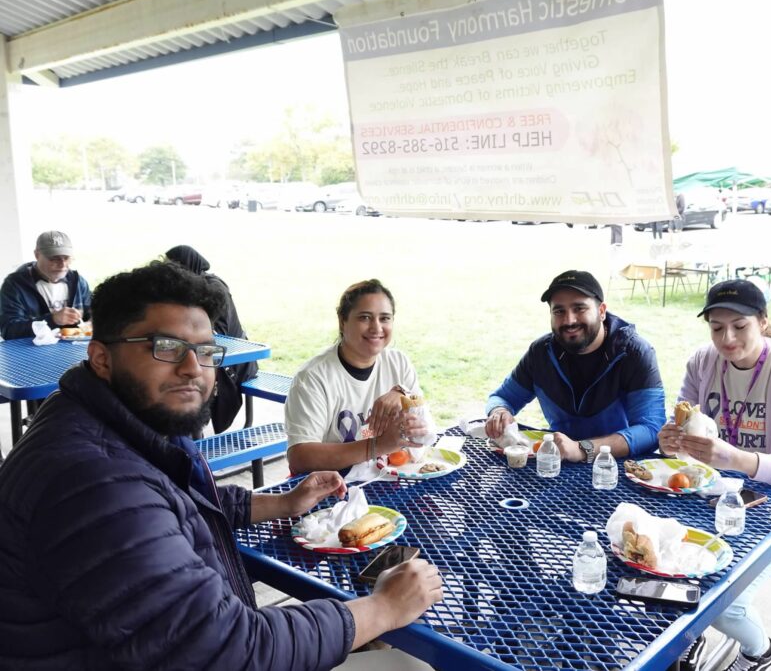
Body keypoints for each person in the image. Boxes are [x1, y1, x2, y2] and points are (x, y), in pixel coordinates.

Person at [0, 261, 443, 668]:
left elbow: (181, 498)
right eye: (166, 347)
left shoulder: (119, 420)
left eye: (206, 350)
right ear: (101, 358)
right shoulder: (94, 485)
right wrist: (382, 608)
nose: (193, 368)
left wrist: (284, 503)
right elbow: (230, 650)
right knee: (412, 664)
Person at [659, 279, 771, 671]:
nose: (727, 339)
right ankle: (689, 638)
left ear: (763, 322)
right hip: (709, 500)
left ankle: (757, 652)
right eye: (716, 327)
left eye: (739, 326)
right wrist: (670, 441)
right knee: (663, 561)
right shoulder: (703, 362)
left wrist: (738, 458)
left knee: (724, 605)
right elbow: (682, 435)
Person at [485, 270, 665, 461]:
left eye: (579, 308)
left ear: (601, 311)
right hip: (558, 463)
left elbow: (651, 429)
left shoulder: (634, 353)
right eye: (559, 311)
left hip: (618, 466)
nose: (569, 320)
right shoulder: (541, 353)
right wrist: (499, 411)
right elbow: (501, 397)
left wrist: (583, 449)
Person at [286, 279, 427, 475]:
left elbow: (421, 427)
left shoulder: (398, 363)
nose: (376, 328)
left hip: (386, 476)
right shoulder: (312, 378)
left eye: (385, 318)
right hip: (331, 485)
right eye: (365, 317)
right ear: (342, 321)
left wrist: (403, 396)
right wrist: (377, 446)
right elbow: (300, 458)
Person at [164, 244, 258, 433]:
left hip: (237, 363)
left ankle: (190, 427)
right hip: (218, 356)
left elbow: (219, 333)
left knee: (193, 373)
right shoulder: (193, 286)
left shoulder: (214, 287)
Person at [0, 230, 91, 339]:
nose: (62, 264)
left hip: (74, 347)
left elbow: (93, 312)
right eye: (54, 258)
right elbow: (9, 330)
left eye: (66, 258)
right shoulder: (15, 285)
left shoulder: (78, 282)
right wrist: (52, 320)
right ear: (37, 255)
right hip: (31, 349)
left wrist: (92, 323)